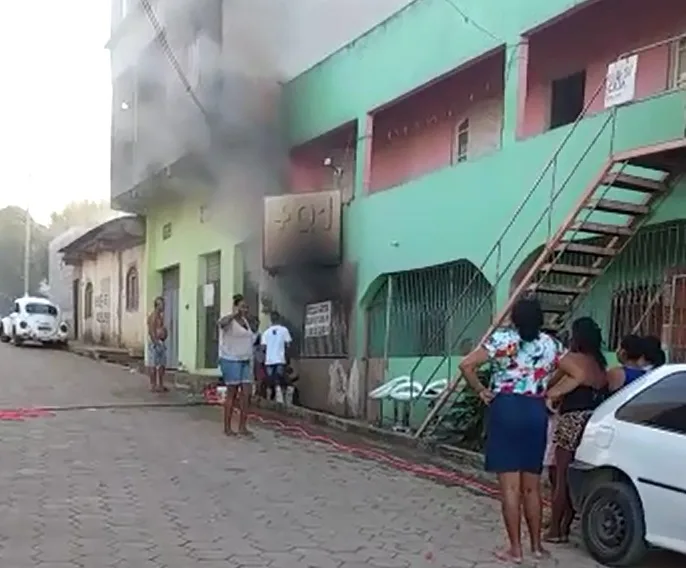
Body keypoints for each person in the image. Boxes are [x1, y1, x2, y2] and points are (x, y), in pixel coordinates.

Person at [459, 297, 584, 564]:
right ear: (540, 319)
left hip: (506, 409)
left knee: (510, 488)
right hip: (534, 412)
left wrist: (481, 390)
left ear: (514, 319)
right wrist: (551, 393)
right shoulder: (551, 344)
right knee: (532, 487)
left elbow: (466, 365)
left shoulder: (502, 340)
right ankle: (537, 547)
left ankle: (515, 549)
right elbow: (578, 374)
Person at [544, 317, 608, 544]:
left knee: (560, 476)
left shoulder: (571, 359)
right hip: (592, 421)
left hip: (571, 420)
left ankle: (555, 530)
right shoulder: (600, 364)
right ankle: (566, 525)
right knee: (574, 475)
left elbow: (550, 384)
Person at [218, 294, 257, 435]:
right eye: (242, 307)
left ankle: (243, 427)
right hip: (231, 360)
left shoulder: (246, 322)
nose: (244, 310)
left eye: (246, 307)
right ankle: (227, 428)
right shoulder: (229, 321)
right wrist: (233, 315)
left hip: (245, 360)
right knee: (232, 394)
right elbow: (221, 324)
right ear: (236, 307)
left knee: (246, 394)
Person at [261, 311, 292, 403]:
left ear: (271, 319)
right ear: (279, 319)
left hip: (269, 360)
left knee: (271, 380)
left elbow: (263, 347)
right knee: (280, 378)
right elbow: (288, 344)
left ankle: (271, 399)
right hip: (280, 359)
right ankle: (280, 399)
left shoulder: (266, 332)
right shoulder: (284, 330)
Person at [146, 296, 168, 392]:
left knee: (162, 364)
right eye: (162, 304)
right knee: (153, 364)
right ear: (157, 306)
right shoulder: (153, 316)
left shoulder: (160, 316)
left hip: (160, 342)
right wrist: (156, 342)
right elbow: (151, 330)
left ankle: (160, 384)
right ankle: (153, 385)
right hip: (155, 343)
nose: (163, 306)